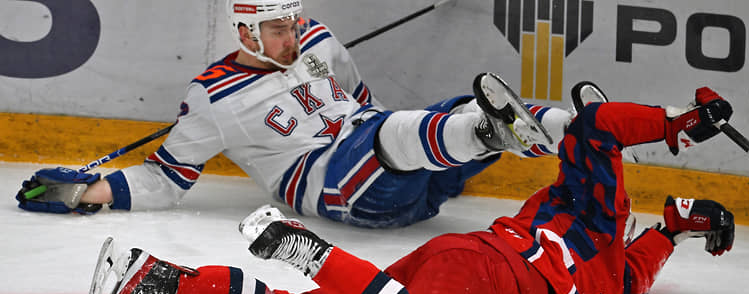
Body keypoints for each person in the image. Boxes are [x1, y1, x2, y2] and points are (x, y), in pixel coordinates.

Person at [82, 84, 736, 294]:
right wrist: (677, 121)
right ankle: (311, 252)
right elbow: (599, 130)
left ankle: (156, 280)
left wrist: (681, 226)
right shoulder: (592, 214)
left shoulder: (611, 279)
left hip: (453, 265)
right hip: (492, 278)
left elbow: (639, 270)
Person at [16, 0, 578, 228]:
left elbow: (361, 101)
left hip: (408, 181)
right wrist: (82, 192)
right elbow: (165, 178)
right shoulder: (213, 97)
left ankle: (581, 131)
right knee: (422, 130)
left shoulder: (318, 41)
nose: (291, 35)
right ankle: (485, 132)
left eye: (292, 22)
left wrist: (404, 146)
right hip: (342, 192)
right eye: (277, 28)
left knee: (460, 109)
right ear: (245, 31)